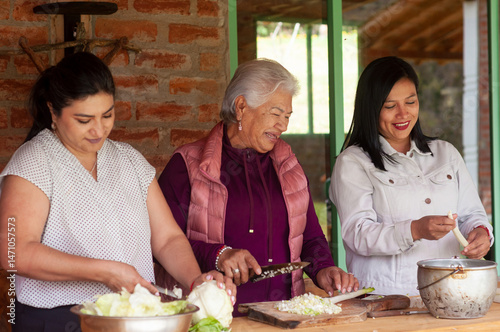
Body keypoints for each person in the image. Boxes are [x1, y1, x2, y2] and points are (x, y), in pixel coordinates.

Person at [0, 52, 235, 332]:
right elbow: (13, 252)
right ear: (53, 111)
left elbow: (167, 238)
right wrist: (106, 272)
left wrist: (195, 281)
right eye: (84, 120)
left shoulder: (130, 160)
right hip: (56, 320)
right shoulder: (35, 161)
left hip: (133, 317)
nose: (99, 129)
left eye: (107, 115)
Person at [156, 58, 358, 313]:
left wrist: (324, 269)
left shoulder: (288, 166)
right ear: (241, 107)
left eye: (287, 116)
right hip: (213, 317)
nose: (283, 125)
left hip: (283, 316)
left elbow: (310, 236)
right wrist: (219, 254)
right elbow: (161, 243)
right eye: (275, 114)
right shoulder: (188, 166)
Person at [329, 56, 493, 296]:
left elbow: (471, 214)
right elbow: (358, 234)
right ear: (370, 108)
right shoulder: (353, 162)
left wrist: (480, 232)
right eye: (389, 106)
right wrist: (414, 230)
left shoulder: (445, 154)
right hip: (385, 298)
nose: (403, 113)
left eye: (410, 101)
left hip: (452, 291)